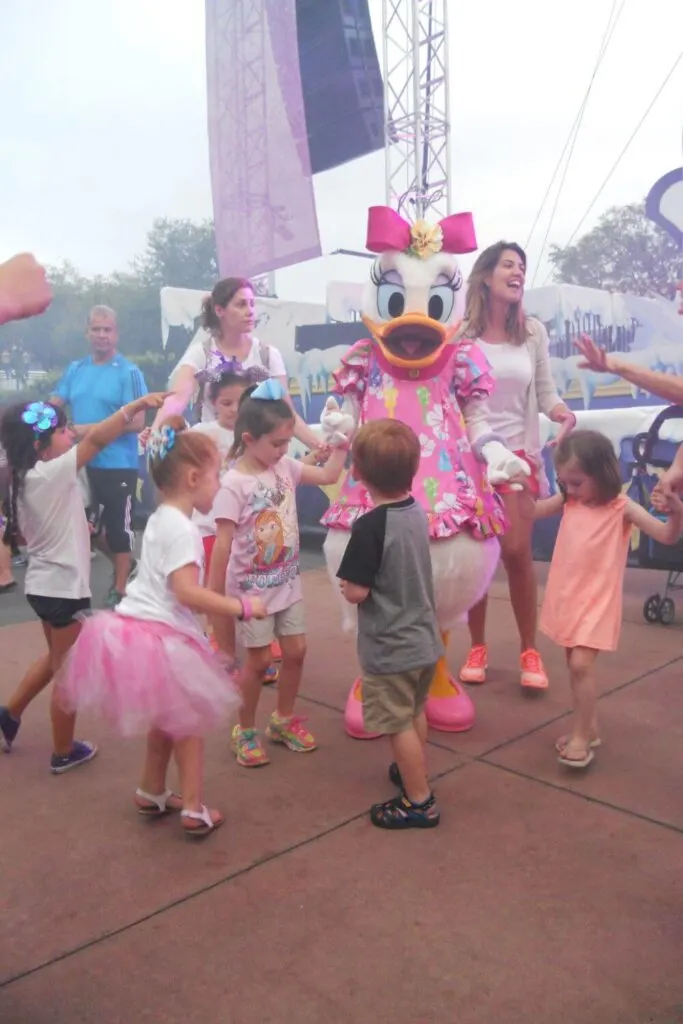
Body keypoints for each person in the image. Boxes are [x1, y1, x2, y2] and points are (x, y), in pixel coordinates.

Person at [57, 418, 266, 838]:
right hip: (162, 638)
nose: (219, 483)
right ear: (192, 477)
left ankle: (151, 790)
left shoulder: (159, 518)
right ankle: (192, 807)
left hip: (137, 629)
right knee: (188, 726)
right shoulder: (184, 530)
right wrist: (238, 606)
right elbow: (187, 592)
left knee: (166, 721)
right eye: (216, 475)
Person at [0, 392, 165, 768]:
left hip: (43, 589)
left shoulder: (26, 477)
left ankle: (9, 714)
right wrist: (133, 408)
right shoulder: (50, 472)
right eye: (61, 431)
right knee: (68, 676)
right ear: (41, 446)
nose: (70, 434)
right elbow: (96, 440)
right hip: (62, 591)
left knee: (55, 660)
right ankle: (63, 751)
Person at [208, 378, 348, 767]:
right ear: (249, 439)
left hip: (287, 583)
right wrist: (216, 600)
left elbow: (329, 476)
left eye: (288, 443)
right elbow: (221, 545)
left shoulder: (285, 466)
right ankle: (245, 729)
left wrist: (340, 445)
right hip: (251, 594)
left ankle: (282, 720)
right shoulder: (234, 484)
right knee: (256, 663)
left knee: (297, 651)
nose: (285, 449)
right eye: (277, 443)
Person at [456, 241, 576, 691]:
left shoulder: (532, 333)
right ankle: (477, 646)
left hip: (520, 457)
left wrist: (562, 412)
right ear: (486, 276)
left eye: (521, 266)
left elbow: (546, 392)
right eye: (508, 264)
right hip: (473, 457)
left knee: (515, 551)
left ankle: (530, 650)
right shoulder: (461, 339)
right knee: (478, 557)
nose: (517, 271)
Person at [535, 430, 683, 770]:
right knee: (575, 668)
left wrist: (676, 512)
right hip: (567, 599)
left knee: (580, 666)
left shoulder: (622, 508)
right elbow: (534, 511)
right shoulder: (568, 500)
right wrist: (510, 488)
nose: (569, 490)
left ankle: (581, 736)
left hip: (596, 603)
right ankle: (590, 727)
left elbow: (666, 535)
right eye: (564, 483)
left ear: (601, 474)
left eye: (576, 482)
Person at [336, 420, 442, 830]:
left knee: (395, 722)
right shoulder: (415, 511)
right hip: (423, 640)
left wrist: (347, 582)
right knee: (415, 711)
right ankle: (413, 768)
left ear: (358, 471)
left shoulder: (369, 527)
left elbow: (356, 593)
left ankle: (419, 801)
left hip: (391, 647)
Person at [150, 276, 322, 451]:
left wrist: (319, 447)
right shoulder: (200, 353)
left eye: (252, 304)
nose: (250, 311)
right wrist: (155, 432)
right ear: (219, 310)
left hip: (259, 456)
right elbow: (177, 399)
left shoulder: (268, 355)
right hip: (216, 455)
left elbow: (286, 413)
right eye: (241, 305)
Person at [50, 305, 149, 608]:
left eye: (108, 329)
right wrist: (33, 422)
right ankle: (128, 564)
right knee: (85, 529)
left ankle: (120, 589)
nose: (102, 335)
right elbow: (54, 406)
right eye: (96, 329)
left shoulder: (129, 372)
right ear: (87, 333)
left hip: (118, 464)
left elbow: (136, 422)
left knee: (118, 529)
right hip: (81, 463)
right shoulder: (76, 369)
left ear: (116, 334)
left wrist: (83, 431)